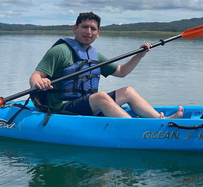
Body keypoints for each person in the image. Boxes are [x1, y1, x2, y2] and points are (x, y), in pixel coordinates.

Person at [29, 12, 183, 119]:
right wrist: (40, 81)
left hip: (85, 104)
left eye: (93, 29)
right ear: (75, 29)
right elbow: (36, 76)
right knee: (101, 97)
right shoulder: (60, 51)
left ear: (98, 33)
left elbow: (121, 71)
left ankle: (159, 120)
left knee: (128, 91)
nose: (88, 31)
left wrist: (139, 55)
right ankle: (135, 128)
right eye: (84, 27)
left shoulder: (94, 55)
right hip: (61, 107)